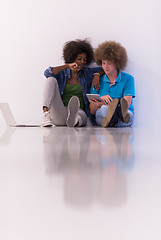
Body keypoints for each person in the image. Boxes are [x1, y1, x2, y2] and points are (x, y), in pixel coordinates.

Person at [42, 39, 103, 127]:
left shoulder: (87, 73)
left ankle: (74, 120)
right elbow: (47, 73)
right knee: (50, 79)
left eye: (85, 60)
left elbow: (105, 69)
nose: (83, 62)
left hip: (79, 111)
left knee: (81, 115)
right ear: (71, 58)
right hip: (61, 112)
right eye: (79, 59)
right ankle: (46, 115)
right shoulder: (62, 73)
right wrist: (67, 66)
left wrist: (97, 75)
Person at [89, 41, 135, 127]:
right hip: (103, 115)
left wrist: (101, 103)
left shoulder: (128, 79)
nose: (105, 66)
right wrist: (102, 99)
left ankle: (113, 120)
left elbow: (126, 104)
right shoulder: (96, 81)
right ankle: (115, 119)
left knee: (128, 113)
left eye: (109, 63)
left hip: (123, 115)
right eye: (103, 63)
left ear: (117, 64)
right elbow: (92, 110)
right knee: (103, 109)